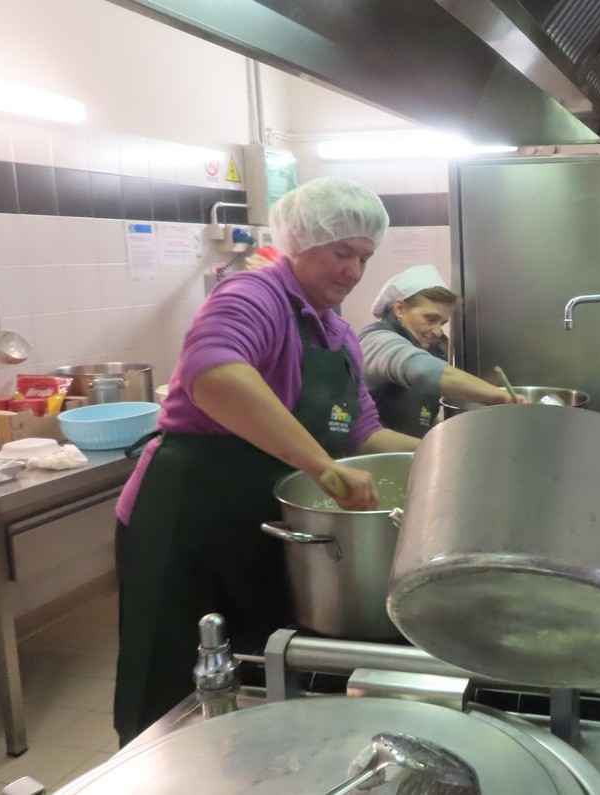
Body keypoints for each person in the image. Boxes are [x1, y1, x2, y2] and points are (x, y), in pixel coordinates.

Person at [112, 177, 419, 746]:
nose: (354, 271)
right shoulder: (253, 294)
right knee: (168, 679)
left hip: (264, 526)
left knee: (255, 674)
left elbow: (363, 431)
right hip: (184, 523)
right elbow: (213, 375)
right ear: (301, 242)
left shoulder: (338, 335)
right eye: (342, 252)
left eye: (364, 257)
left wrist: (447, 457)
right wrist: (323, 467)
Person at [359, 263, 521, 437]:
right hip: (378, 453)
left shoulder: (428, 349)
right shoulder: (376, 340)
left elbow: (422, 421)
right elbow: (421, 370)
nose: (437, 331)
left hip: (412, 451)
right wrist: (498, 395)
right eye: (430, 319)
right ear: (400, 308)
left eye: (441, 323)